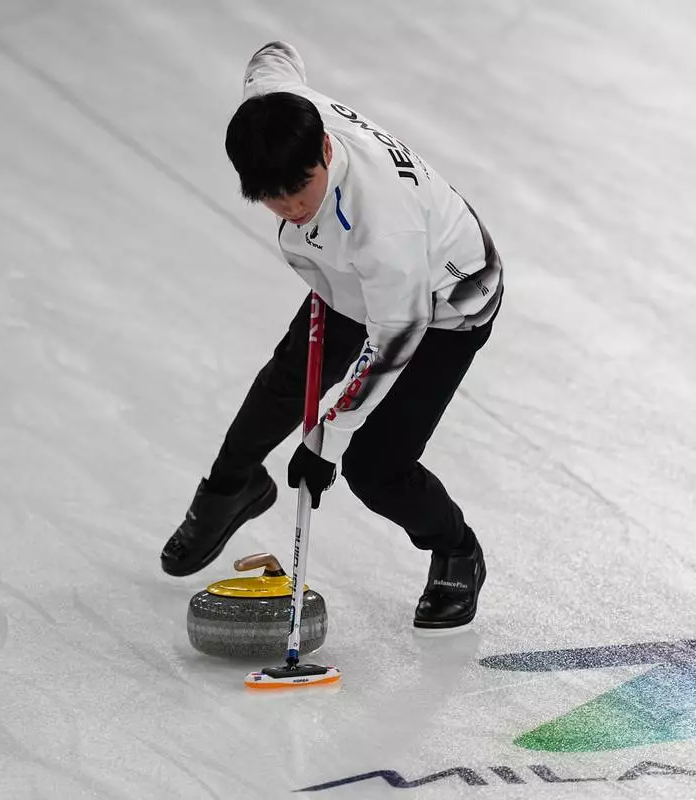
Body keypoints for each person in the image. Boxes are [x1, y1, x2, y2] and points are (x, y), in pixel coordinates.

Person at [160, 42, 504, 631]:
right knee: (283, 386)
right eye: (273, 197)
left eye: (300, 190)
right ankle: (231, 489)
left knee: (376, 467)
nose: (290, 207)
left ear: (326, 148)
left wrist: (326, 436)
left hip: (445, 306)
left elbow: (396, 334)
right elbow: (273, 55)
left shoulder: (383, 226)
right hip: (347, 279)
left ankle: (456, 548)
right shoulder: (274, 113)